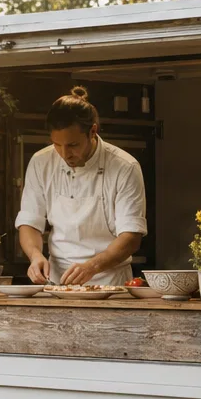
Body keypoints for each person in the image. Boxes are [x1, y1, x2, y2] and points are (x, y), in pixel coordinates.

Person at [16, 86, 147, 286]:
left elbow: (131, 237)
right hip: (57, 283)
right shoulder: (41, 162)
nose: (64, 153)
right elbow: (30, 222)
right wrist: (35, 256)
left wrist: (92, 267)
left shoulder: (125, 167)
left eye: (73, 145)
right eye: (57, 145)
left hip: (110, 284)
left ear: (92, 131)